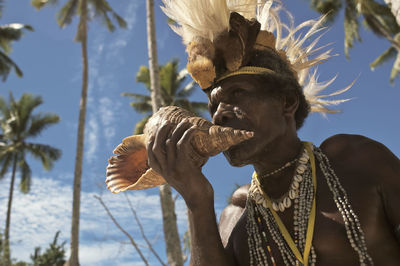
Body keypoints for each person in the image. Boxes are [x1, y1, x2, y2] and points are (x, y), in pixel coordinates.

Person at [146, 1, 400, 265]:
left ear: (287, 102)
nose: (218, 114)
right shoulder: (236, 214)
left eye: (237, 93)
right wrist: (196, 200)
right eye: (213, 105)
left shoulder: (354, 161)